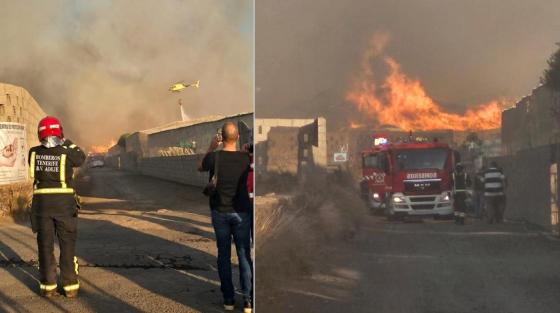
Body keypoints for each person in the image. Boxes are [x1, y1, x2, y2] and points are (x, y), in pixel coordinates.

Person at [199, 122, 253, 313]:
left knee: (223, 256)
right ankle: (248, 301)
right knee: (244, 256)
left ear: (221, 137)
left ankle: (229, 300)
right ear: (238, 137)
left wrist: (212, 146)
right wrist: (249, 151)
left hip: (220, 212)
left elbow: (200, 166)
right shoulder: (246, 158)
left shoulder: (214, 157)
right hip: (242, 213)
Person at [28, 116, 85, 298]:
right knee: (67, 245)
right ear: (59, 132)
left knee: (45, 246)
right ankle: (70, 287)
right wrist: (67, 141)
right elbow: (81, 158)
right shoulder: (67, 152)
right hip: (64, 207)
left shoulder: (33, 152)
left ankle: (48, 287)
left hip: (41, 207)